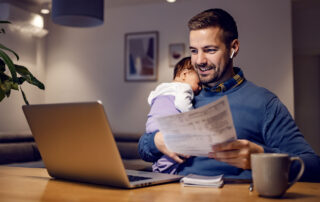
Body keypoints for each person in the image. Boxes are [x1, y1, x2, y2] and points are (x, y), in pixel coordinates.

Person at [138, 8, 320, 181]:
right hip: (175, 194)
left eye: (210, 50)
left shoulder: (264, 103)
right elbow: (144, 150)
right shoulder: (183, 95)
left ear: (234, 48)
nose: (199, 60)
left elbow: (313, 166)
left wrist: (261, 157)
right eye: (194, 51)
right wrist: (155, 141)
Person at [146, 56, 201, 174]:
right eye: (199, 83)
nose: (200, 88)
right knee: (175, 154)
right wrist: (193, 116)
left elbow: (150, 99)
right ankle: (165, 172)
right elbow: (182, 103)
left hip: (152, 123)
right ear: (185, 75)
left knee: (163, 153)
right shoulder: (185, 88)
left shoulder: (162, 87)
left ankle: (157, 169)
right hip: (168, 124)